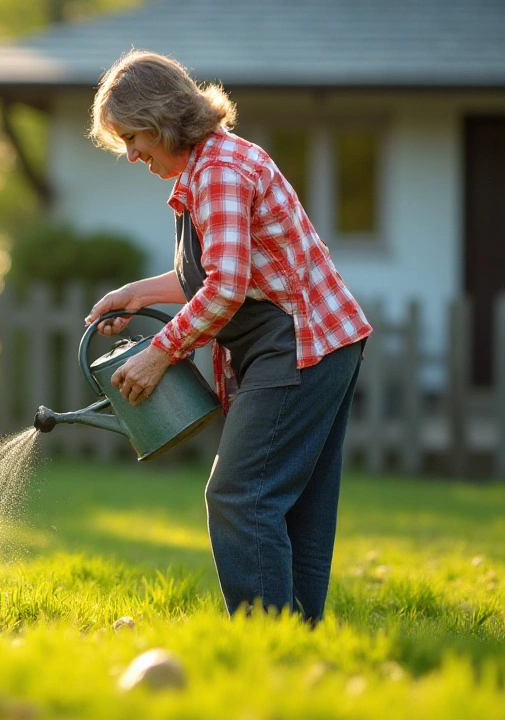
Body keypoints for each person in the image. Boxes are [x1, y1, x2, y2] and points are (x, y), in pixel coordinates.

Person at [84, 50, 372, 622]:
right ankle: (298, 642)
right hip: (320, 339)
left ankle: (267, 635)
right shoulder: (210, 165)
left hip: (300, 344)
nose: (131, 153)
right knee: (298, 510)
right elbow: (225, 272)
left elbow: (227, 288)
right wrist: (137, 294)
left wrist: (159, 355)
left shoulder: (217, 172)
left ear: (163, 117)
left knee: (240, 494)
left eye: (134, 137)